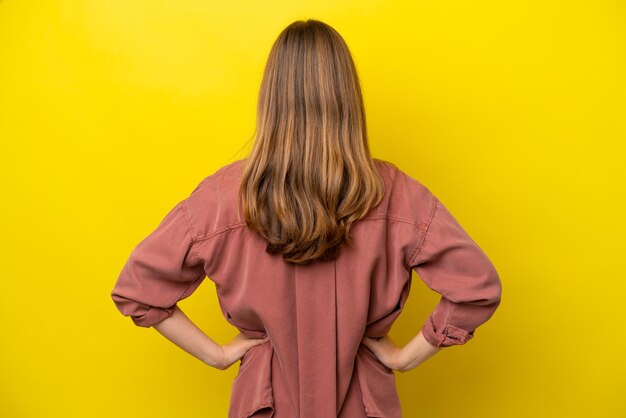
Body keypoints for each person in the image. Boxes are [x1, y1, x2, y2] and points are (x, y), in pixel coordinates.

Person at [110, 19, 502, 418]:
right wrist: (406, 357)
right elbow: (476, 287)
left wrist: (216, 355)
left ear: (271, 98)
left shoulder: (221, 198)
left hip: (265, 405)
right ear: (348, 97)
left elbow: (138, 290)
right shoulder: (397, 194)